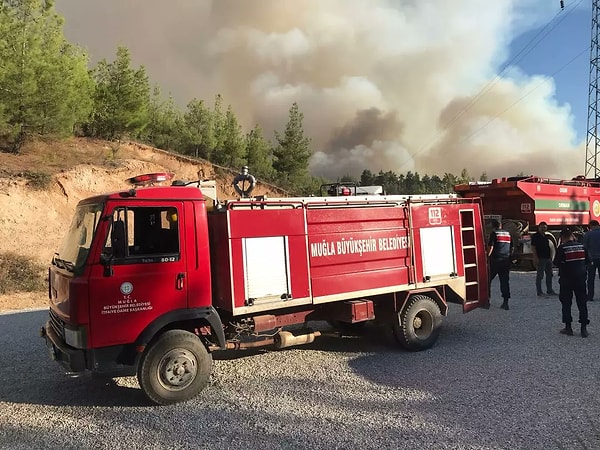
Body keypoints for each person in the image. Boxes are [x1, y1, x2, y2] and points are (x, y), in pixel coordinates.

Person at [554, 228, 590, 337]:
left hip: (566, 281)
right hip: (580, 280)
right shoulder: (581, 246)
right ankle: (584, 329)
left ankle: (568, 327)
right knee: (582, 303)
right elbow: (588, 262)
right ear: (572, 236)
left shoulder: (562, 248)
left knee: (566, 303)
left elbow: (556, 263)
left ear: (562, 238)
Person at [487, 219, 513, 310]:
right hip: (505, 261)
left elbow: (491, 247)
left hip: (495, 261)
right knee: (504, 282)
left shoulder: (494, 233)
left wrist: (487, 257)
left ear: (493, 226)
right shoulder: (508, 234)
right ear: (501, 225)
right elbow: (512, 248)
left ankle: (487, 300)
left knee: (487, 280)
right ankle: (505, 302)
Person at [530, 221, 557, 297]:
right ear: (538, 228)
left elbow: (549, 247)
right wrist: (535, 257)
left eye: (545, 227)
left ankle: (550, 290)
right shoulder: (535, 236)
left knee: (549, 274)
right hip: (540, 258)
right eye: (542, 227)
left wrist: (551, 257)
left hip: (548, 258)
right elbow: (533, 247)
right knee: (540, 275)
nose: (543, 229)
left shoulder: (546, 236)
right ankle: (539, 292)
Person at [583, 219, 600, 301]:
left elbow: (585, 248)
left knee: (591, 279)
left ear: (591, 226)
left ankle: (590, 296)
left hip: (592, 259)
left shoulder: (588, 234)